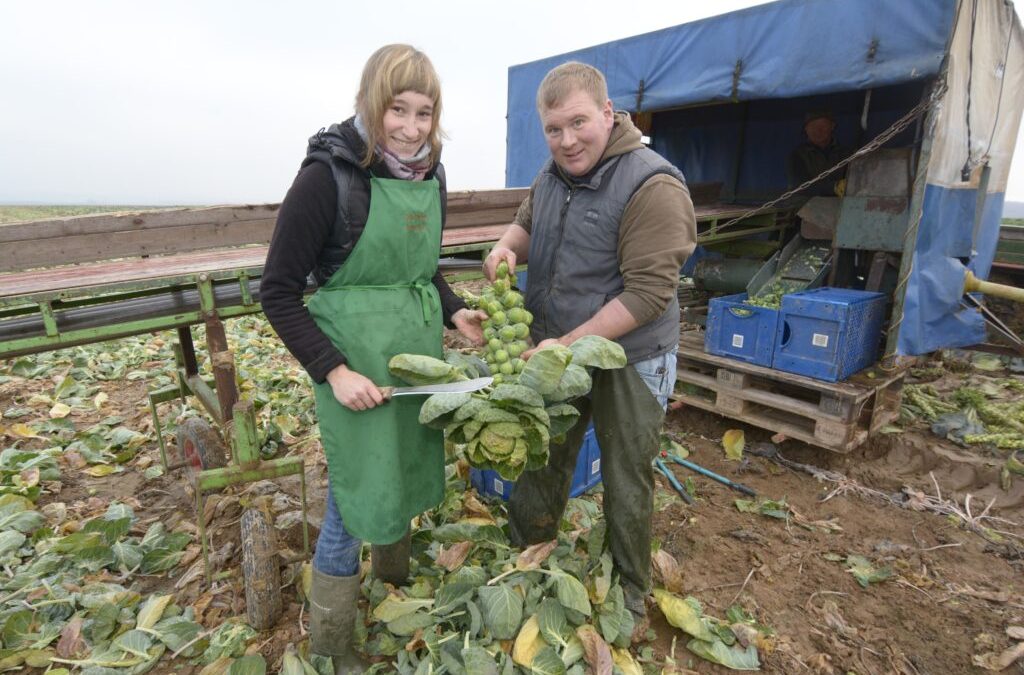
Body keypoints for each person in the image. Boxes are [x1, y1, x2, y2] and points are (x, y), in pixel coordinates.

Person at [261, 44, 485, 673]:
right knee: (352, 498)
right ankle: (330, 643)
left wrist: (454, 310)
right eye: (397, 110)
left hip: (414, 357)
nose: (412, 128)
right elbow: (277, 291)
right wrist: (334, 371)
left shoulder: (431, 172)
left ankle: (392, 584)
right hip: (353, 366)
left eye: (424, 112)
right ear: (369, 103)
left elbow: (422, 269)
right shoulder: (327, 176)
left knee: (409, 467)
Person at [483, 61, 697, 641]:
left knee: (626, 474)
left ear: (608, 113)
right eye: (554, 129)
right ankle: (527, 555)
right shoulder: (553, 176)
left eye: (578, 123)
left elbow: (649, 293)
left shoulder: (653, 184)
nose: (567, 140)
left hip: (631, 356)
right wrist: (504, 250)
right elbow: (525, 229)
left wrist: (567, 344)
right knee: (543, 454)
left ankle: (630, 589)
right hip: (555, 351)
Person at [786, 110, 850, 197]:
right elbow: (798, 188)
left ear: (832, 126)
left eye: (823, 125)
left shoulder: (847, 154)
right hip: (808, 208)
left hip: (842, 206)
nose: (818, 130)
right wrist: (834, 187)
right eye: (812, 126)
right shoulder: (797, 156)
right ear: (805, 129)